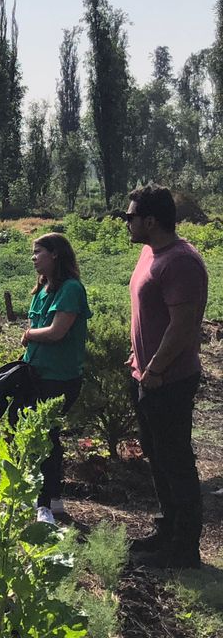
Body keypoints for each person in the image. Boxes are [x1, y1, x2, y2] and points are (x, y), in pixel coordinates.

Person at [124, 184, 208, 569]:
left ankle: (184, 547)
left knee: (176, 461)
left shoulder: (180, 262)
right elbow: (149, 314)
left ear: (151, 221)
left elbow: (183, 326)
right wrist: (137, 359)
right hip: (147, 375)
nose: (127, 223)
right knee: (158, 458)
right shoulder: (150, 253)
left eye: (131, 217)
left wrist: (155, 369)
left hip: (168, 380)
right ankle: (167, 528)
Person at [19, 233, 92, 525]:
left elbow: (56, 331)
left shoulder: (71, 289)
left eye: (39, 252)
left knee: (47, 437)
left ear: (56, 255)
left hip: (59, 377)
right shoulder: (43, 288)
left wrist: (27, 335)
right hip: (36, 373)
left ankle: (46, 504)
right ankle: (48, 499)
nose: (33, 258)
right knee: (38, 436)